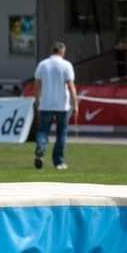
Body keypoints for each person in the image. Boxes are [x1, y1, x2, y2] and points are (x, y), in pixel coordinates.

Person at [33, 41, 78, 170]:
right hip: (61, 105)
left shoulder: (42, 64)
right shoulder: (66, 65)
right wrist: (75, 104)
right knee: (61, 133)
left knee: (43, 130)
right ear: (62, 51)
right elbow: (71, 86)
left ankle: (41, 147)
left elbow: (36, 85)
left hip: (46, 104)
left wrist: (38, 100)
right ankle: (58, 161)